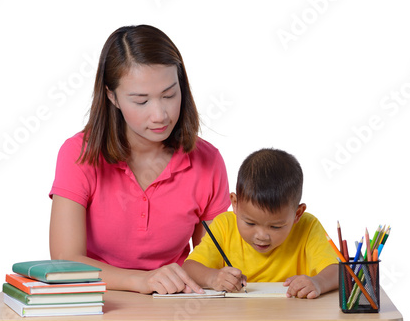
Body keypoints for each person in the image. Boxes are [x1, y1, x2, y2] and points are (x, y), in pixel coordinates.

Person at [49, 25, 230, 295]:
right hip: (97, 303)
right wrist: (141, 281)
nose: (159, 115)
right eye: (141, 101)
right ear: (112, 96)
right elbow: (64, 262)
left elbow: (212, 262)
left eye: (169, 95)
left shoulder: (208, 161)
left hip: (176, 304)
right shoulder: (79, 154)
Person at [183, 148, 339, 299]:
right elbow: (189, 269)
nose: (262, 236)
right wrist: (212, 278)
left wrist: (318, 283)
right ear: (235, 204)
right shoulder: (224, 226)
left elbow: (337, 271)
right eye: (250, 223)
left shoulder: (308, 226)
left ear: (297, 214)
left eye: (275, 226)